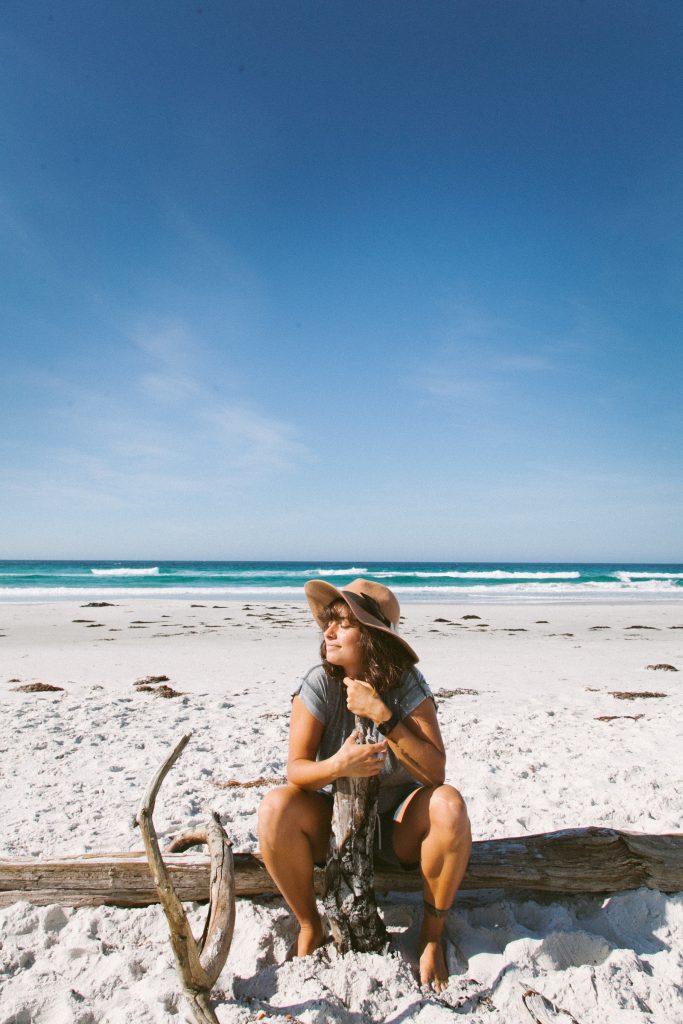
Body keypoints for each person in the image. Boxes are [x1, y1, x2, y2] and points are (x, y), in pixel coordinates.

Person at [258, 577, 472, 992]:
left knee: (449, 805)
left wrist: (382, 715)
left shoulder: (406, 683)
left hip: (398, 830)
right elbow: (296, 770)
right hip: (336, 829)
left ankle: (431, 936)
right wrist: (338, 765)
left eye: (343, 623)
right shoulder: (320, 682)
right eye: (329, 621)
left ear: (372, 637)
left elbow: (435, 773)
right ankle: (309, 924)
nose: (329, 631)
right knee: (275, 807)